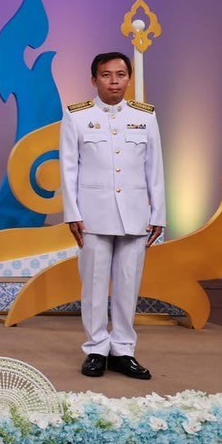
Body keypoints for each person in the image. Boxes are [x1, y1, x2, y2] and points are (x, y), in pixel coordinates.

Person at [60, 51, 164, 381]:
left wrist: (159, 213)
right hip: (93, 215)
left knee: (128, 284)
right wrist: (72, 213)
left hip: (135, 213)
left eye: (121, 75)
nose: (114, 81)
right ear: (94, 80)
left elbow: (155, 168)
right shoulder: (77, 116)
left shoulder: (145, 116)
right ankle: (96, 348)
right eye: (106, 75)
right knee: (93, 284)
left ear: (129, 79)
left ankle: (123, 350)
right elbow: (68, 168)